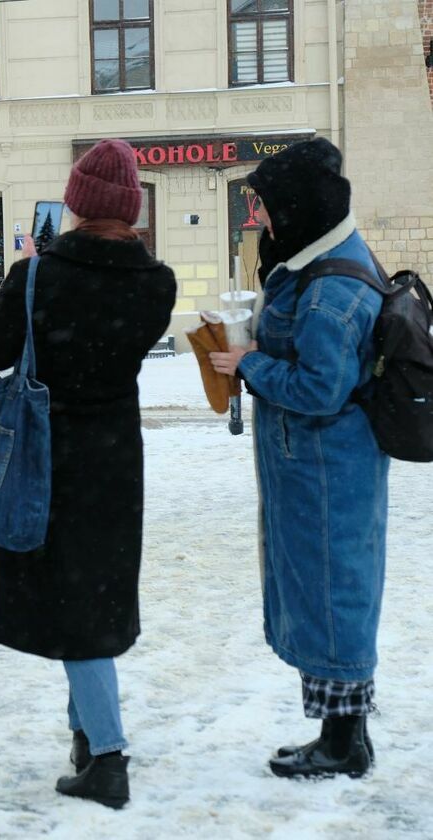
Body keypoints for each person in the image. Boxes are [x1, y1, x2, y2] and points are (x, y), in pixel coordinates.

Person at [0, 139, 176, 809]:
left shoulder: (39, 277)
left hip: (49, 458)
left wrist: (26, 279)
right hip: (115, 461)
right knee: (89, 596)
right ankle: (86, 738)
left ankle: (109, 758)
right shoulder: (156, 282)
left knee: (79, 609)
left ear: (76, 201)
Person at [210, 138, 387, 780]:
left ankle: (344, 743)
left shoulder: (329, 291)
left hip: (327, 469)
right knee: (326, 591)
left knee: (335, 594)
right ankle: (342, 733)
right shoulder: (317, 264)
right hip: (319, 465)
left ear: (298, 209)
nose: (258, 217)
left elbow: (319, 388)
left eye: (265, 206)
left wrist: (249, 363)